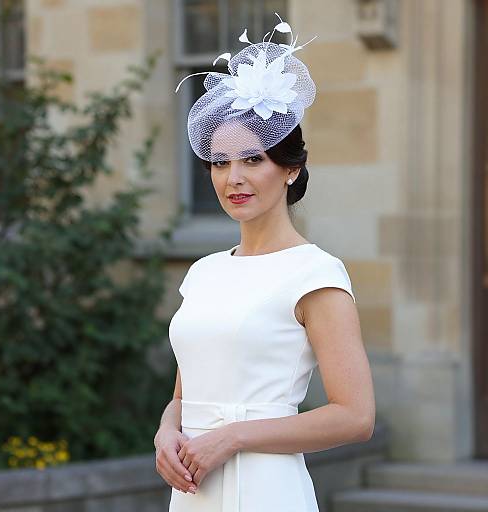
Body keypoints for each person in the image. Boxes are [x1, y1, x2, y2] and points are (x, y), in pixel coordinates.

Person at [154, 12, 375, 512]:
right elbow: (187, 395)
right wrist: (167, 430)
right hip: (192, 486)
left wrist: (230, 438)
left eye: (253, 159)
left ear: (290, 169)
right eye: (219, 161)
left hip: (264, 488)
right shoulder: (204, 273)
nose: (233, 177)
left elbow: (355, 416)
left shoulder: (315, 275)